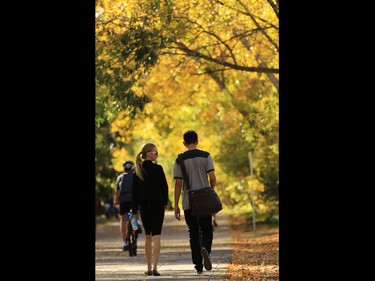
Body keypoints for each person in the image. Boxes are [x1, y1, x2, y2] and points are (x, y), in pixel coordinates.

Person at [173, 130, 217, 274]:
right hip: (204, 200)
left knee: (193, 233)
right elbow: (212, 177)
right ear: (197, 141)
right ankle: (206, 248)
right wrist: (211, 190)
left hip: (188, 201)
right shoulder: (206, 156)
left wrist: (176, 205)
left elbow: (178, 184)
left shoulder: (179, 159)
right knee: (207, 229)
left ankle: (198, 266)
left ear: (184, 143)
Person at [132, 143, 169, 276]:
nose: (157, 155)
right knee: (157, 236)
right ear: (149, 154)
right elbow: (164, 188)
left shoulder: (137, 171)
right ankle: (155, 268)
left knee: (147, 237)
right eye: (156, 152)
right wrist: (166, 202)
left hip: (144, 207)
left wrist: (135, 210)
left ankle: (148, 268)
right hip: (157, 206)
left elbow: (134, 193)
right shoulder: (158, 169)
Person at [114, 160, 138, 251]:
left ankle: (124, 241)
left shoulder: (120, 177)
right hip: (133, 199)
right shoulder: (135, 176)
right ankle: (135, 228)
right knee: (135, 214)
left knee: (123, 219)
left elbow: (117, 191)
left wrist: (116, 200)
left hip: (123, 200)